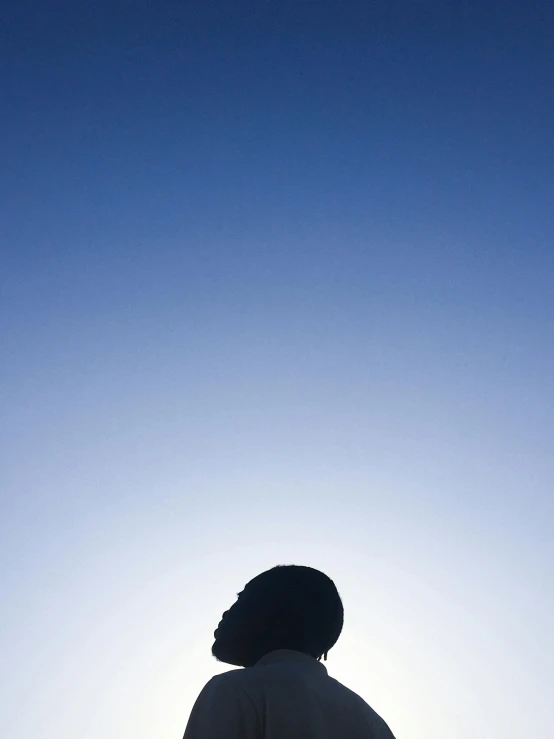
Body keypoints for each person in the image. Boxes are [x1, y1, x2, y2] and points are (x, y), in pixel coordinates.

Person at [183, 564, 396, 738]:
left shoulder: (236, 688)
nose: (226, 612)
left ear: (272, 611)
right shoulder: (375, 724)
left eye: (242, 598)